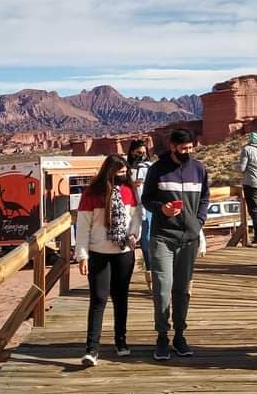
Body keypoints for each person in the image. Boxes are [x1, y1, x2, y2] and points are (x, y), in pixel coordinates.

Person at [141, 128, 210, 362]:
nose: (187, 152)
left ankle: (180, 335)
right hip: (162, 237)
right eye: (183, 149)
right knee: (162, 289)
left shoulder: (199, 169)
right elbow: (146, 199)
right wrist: (161, 208)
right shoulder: (157, 170)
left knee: (182, 290)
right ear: (172, 146)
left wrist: (199, 221)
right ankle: (162, 336)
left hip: (189, 238)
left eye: (190, 148)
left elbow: (205, 199)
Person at [74, 154, 142, 366]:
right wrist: (82, 255)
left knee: (121, 298)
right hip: (98, 254)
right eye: (119, 172)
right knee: (99, 299)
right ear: (109, 172)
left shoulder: (130, 192)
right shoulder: (92, 194)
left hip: (123, 253)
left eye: (125, 172)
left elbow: (136, 218)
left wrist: (134, 234)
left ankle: (121, 340)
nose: (123, 176)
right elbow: (83, 227)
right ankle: (92, 349)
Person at [127, 139, 154, 286]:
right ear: (132, 152)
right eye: (139, 152)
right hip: (130, 211)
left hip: (147, 210)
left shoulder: (150, 167)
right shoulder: (125, 168)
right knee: (128, 242)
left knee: (147, 244)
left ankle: (151, 280)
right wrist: (131, 184)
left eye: (144, 152)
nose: (142, 155)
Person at [237, 132, 257, 247]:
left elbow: (242, 167)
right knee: (256, 211)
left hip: (250, 184)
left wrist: (237, 167)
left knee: (254, 212)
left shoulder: (247, 149)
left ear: (250, 140)